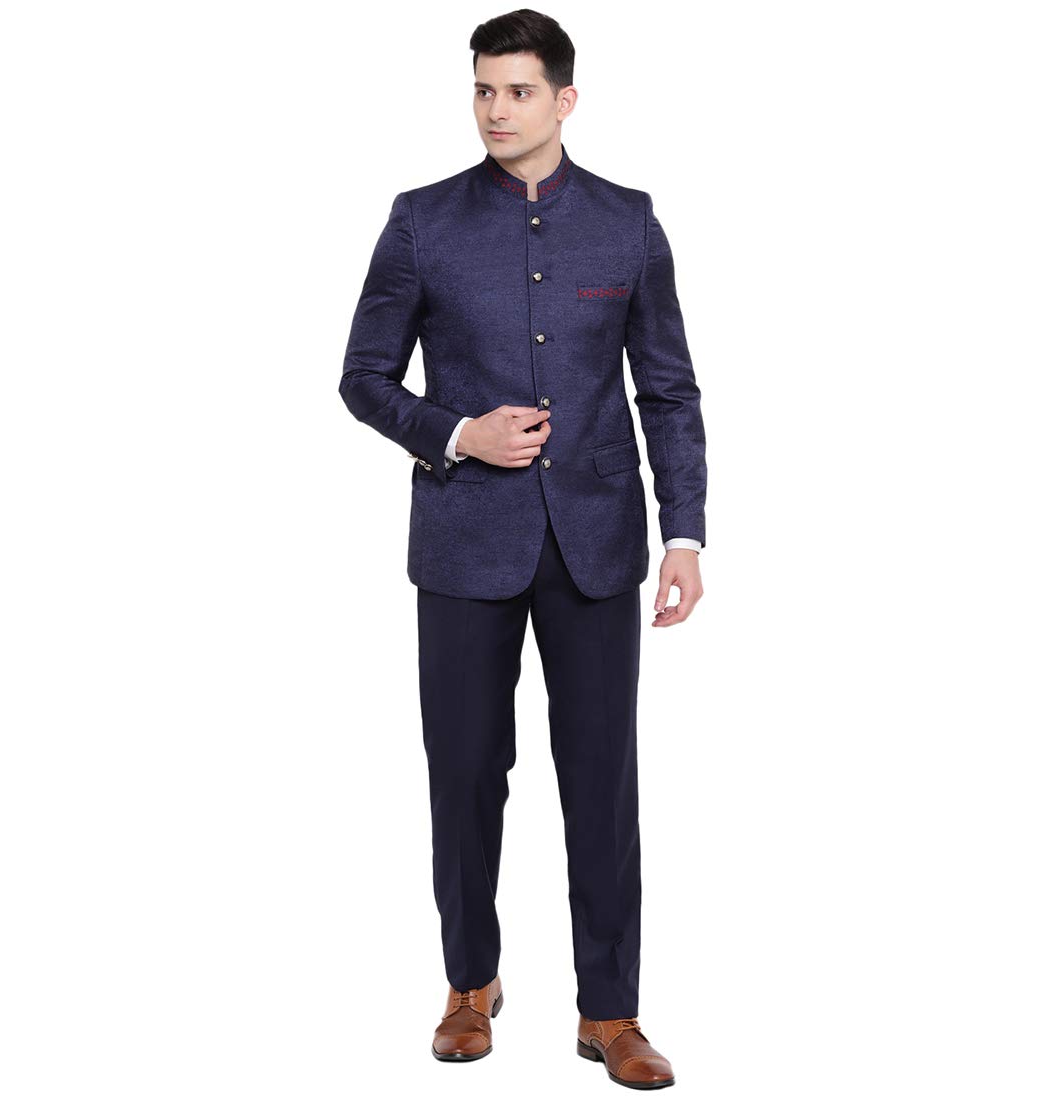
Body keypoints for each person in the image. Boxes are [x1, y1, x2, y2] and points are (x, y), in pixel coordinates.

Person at [339, 9, 705, 1090]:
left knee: (601, 779)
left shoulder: (627, 222)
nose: (496, 109)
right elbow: (362, 377)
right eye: (482, 90)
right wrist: (459, 433)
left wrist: (684, 530)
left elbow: (668, 390)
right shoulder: (422, 221)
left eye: (518, 91)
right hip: (463, 543)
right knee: (463, 771)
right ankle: (469, 985)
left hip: (597, 542)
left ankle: (611, 1010)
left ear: (564, 100)